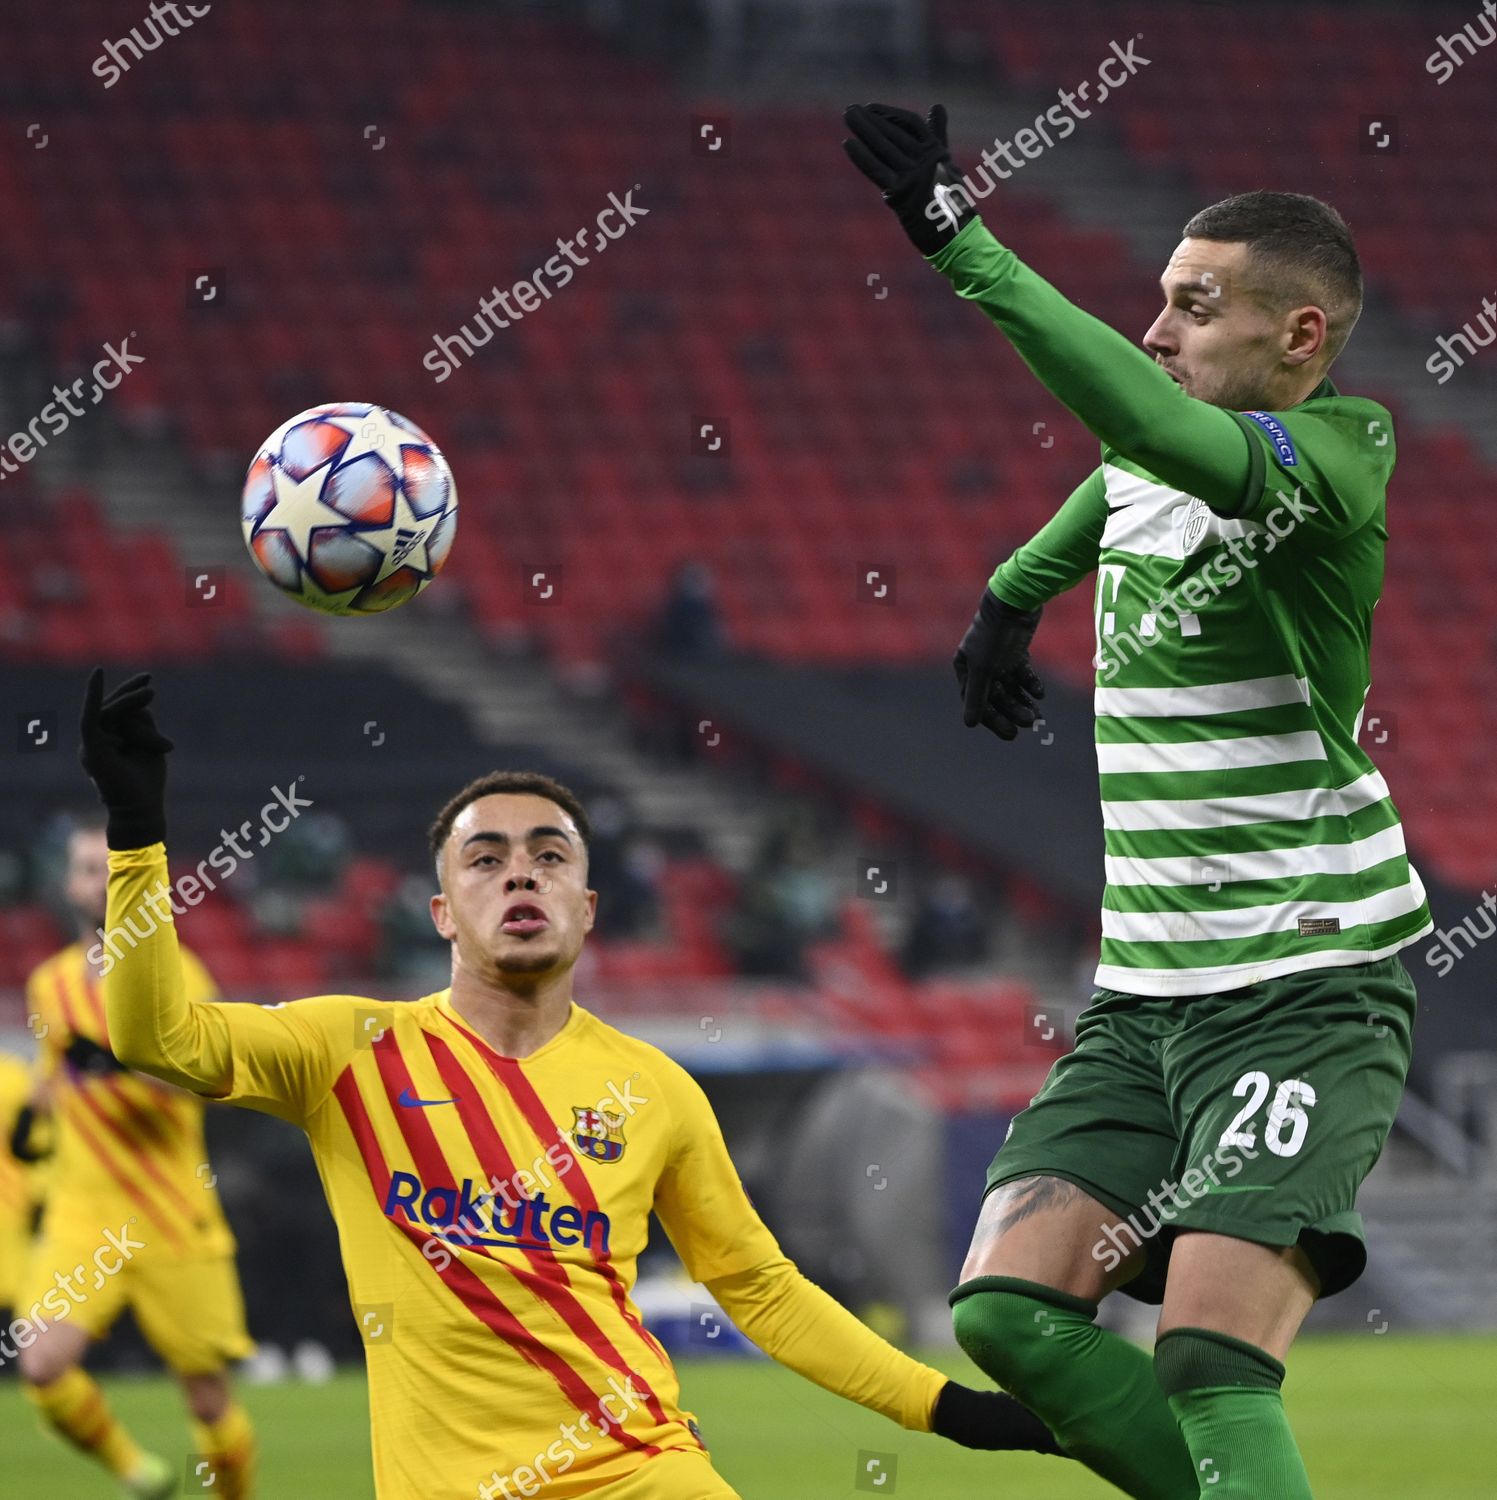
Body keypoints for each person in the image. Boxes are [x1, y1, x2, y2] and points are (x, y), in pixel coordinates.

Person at [77, 669, 1068, 1500]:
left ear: (588, 909)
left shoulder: (655, 1091)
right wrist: (136, 831)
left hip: (644, 1470)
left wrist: (946, 1408)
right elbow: (157, 1035)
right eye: (487, 860)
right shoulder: (348, 1050)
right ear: (441, 914)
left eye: (549, 858)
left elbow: (761, 1291)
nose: (521, 876)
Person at [844, 103, 1432, 1499]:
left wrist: (956, 239)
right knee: (1003, 1312)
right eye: (1154, 301)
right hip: (1143, 1001)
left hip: (1304, 982)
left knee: (1209, 1361)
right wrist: (1008, 598)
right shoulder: (1147, 474)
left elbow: (1144, 425)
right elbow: (1113, 486)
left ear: (1297, 338)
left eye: (1193, 305)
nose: (1158, 328)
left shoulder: (1331, 464)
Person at [15, 813, 257, 1499]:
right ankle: (137, 1473)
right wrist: (38, 1106)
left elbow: (210, 1080)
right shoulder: (49, 985)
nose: (100, 884)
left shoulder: (180, 974)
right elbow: (56, 1079)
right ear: (69, 884)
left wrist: (121, 1062)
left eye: (114, 871)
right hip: (82, 1212)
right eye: (89, 870)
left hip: (171, 1212)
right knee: (41, 1365)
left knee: (208, 1399)